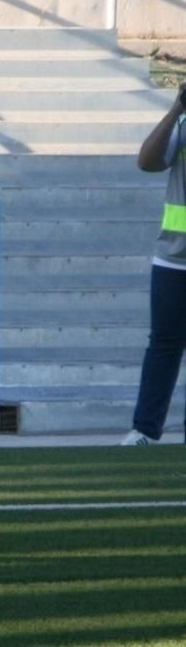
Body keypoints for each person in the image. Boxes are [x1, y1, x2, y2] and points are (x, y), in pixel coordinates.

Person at [121, 81, 186, 446]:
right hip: (175, 258)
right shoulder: (183, 122)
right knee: (163, 344)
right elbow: (147, 161)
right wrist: (176, 109)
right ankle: (145, 430)